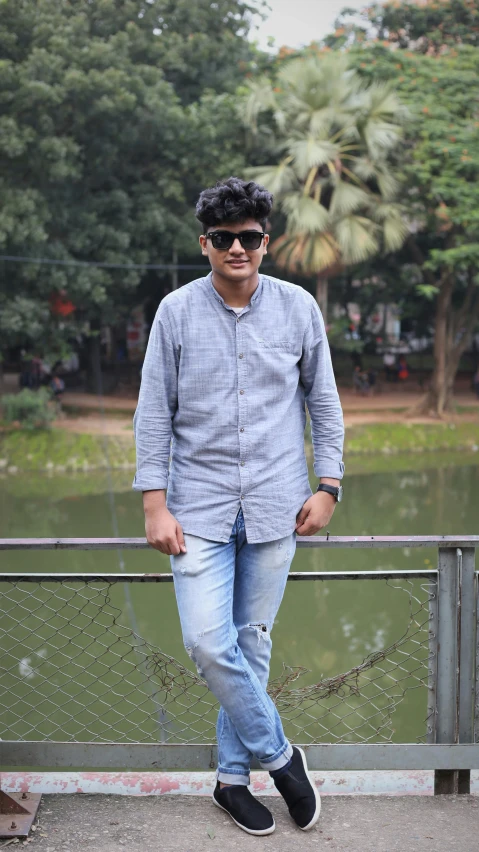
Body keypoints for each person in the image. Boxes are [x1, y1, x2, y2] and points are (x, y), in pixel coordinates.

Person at [133, 177, 344, 836]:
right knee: (206, 641)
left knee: (250, 644)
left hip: (279, 504)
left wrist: (328, 485)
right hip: (194, 510)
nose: (236, 248)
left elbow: (323, 402)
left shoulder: (298, 308)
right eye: (222, 238)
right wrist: (153, 505)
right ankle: (281, 758)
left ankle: (230, 780)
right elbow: (152, 413)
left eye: (248, 237)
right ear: (204, 244)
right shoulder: (175, 311)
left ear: (264, 242)